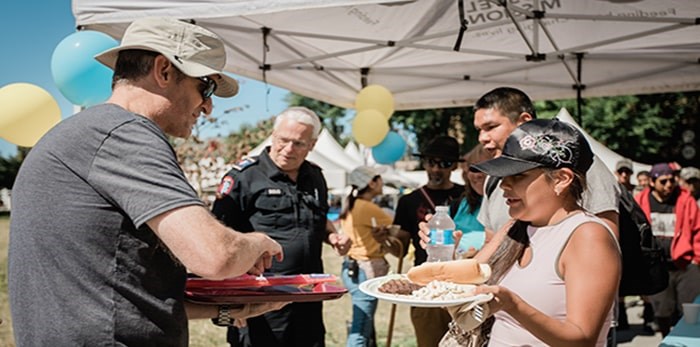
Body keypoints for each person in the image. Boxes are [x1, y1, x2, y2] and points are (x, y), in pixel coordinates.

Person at [8, 17, 284, 346]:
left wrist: (227, 307)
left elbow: (118, 293)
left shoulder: (86, 134)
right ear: (164, 70)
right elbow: (216, 256)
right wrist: (259, 242)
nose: (208, 107)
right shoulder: (124, 133)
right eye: (205, 86)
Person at [446, 119, 622, 346]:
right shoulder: (515, 226)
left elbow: (582, 339)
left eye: (518, 176)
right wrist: (444, 253)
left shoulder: (587, 236)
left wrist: (513, 305)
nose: (503, 185)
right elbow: (466, 282)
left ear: (561, 179)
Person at [211, 106, 352, 347]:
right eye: (283, 140)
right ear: (273, 136)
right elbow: (217, 237)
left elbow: (316, 218)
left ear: (312, 145)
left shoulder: (315, 176)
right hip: (261, 298)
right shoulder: (244, 177)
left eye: (298, 143)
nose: (288, 149)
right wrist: (227, 303)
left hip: (307, 294)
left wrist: (333, 236)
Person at [472, 87, 620, 242]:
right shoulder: (493, 179)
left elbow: (605, 241)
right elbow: (490, 241)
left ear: (524, 121)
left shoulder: (579, 165)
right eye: (479, 130)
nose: (482, 138)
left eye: (491, 127)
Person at [393, 135, 464, 347]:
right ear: (424, 163)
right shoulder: (409, 201)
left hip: (462, 285)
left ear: (453, 166)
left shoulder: (468, 195)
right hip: (425, 286)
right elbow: (399, 249)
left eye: (444, 163)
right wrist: (386, 241)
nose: (436, 169)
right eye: (431, 162)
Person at [634, 162, 700, 336]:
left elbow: (698, 230)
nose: (669, 185)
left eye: (671, 180)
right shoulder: (641, 201)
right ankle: (666, 337)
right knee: (662, 311)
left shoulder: (686, 200)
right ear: (652, 182)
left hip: (684, 264)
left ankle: (688, 339)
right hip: (657, 266)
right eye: (663, 181)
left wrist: (696, 258)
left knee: (690, 310)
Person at [339, 166, 399, 347]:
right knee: (361, 329)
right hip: (365, 269)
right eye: (379, 179)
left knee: (364, 324)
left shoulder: (352, 204)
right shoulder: (368, 207)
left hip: (352, 268)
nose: (382, 183)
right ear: (372, 183)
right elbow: (397, 229)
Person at [450, 144, 491, 258]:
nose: (478, 175)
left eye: (484, 168)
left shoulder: (510, 205)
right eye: (473, 168)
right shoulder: (457, 206)